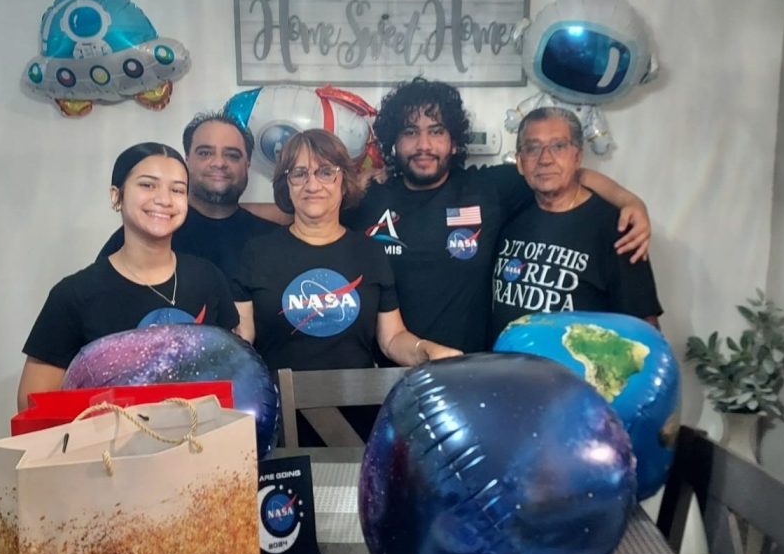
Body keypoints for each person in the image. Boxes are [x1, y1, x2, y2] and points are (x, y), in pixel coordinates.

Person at [335, 77, 652, 355]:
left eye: (436, 131)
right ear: (394, 140)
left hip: (471, 372)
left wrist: (629, 200)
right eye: (410, 132)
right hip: (382, 373)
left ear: (454, 140)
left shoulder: (488, 189)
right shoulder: (369, 196)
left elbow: (559, 172)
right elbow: (302, 220)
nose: (424, 145)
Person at [18, 142, 239, 410]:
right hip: (109, 448)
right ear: (116, 196)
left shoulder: (208, 278)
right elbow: (33, 404)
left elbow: (233, 372)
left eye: (178, 190)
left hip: (199, 441)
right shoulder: (74, 295)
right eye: (148, 185)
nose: (164, 199)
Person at [232, 129, 461, 373]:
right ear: (286, 184)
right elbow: (240, 341)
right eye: (299, 173)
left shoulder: (369, 253)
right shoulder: (257, 252)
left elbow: (392, 338)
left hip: (356, 406)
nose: (312, 185)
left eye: (326, 172)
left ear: (344, 182)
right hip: (279, 407)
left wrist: (425, 350)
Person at [490, 107, 662, 341]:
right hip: (505, 372)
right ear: (520, 162)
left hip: (576, 376)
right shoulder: (509, 211)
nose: (545, 159)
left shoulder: (617, 228)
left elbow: (645, 330)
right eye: (532, 148)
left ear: (577, 157)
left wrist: (632, 202)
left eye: (558, 146)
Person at [98, 112, 274, 284]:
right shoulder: (146, 233)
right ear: (186, 160)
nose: (219, 163)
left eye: (232, 155)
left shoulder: (271, 238)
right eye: (205, 153)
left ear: (247, 164)